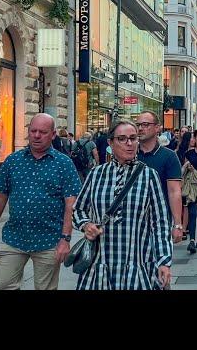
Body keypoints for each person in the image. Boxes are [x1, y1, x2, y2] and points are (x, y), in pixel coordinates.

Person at [0, 113, 81, 290]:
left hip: (49, 240)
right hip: (14, 238)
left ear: (53, 134)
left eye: (42, 132)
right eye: (33, 130)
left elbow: (70, 204)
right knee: (4, 285)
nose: (36, 135)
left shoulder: (63, 164)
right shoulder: (13, 160)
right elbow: (0, 196)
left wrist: (65, 239)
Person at [72, 119, 172, 290]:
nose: (129, 143)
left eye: (133, 138)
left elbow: (160, 222)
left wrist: (164, 261)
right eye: (122, 139)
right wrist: (86, 225)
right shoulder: (96, 174)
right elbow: (78, 209)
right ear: (110, 142)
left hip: (137, 265)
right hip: (100, 265)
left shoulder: (149, 176)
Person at [135, 112, 183, 251]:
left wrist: (178, 224)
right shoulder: (129, 154)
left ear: (157, 128)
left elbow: (174, 191)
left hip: (158, 219)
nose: (140, 128)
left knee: (157, 264)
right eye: (138, 125)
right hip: (130, 218)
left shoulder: (169, 156)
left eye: (145, 125)